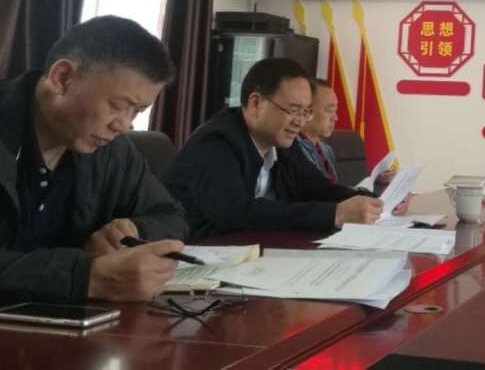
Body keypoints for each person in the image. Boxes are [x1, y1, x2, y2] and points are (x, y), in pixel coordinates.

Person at [0, 16, 188, 304]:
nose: (124, 125)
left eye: (137, 111)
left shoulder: (112, 150)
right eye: (118, 105)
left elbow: (172, 216)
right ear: (63, 78)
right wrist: (85, 277)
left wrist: (133, 230)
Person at [164, 58, 384, 239]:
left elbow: (319, 189)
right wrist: (333, 214)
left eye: (306, 112)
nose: (300, 122)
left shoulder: (282, 143)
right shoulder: (215, 143)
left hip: (255, 250)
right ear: (255, 103)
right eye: (293, 110)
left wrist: (371, 200)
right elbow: (235, 213)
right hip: (201, 255)